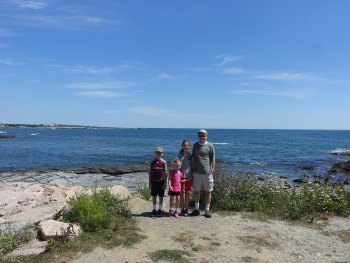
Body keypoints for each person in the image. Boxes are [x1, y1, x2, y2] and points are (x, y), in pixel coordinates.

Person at [190, 129, 216, 218]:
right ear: (198, 136)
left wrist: (212, 169)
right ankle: (196, 209)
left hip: (207, 173)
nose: (202, 137)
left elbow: (213, 158)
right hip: (196, 172)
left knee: (208, 192)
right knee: (196, 191)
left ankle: (207, 210)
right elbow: (193, 157)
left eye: (203, 135)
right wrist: (191, 169)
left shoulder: (210, 146)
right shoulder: (195, 145)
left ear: (206, 136)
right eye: (200, 135)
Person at [149, 147, 168, 216]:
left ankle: (160, 209)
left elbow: (166, 173)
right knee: (154, 196)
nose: (158, 154)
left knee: (161, 196)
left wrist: (165, 183)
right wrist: (150, 183)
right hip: (154, 181)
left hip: (161, 182)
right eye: (157, 152)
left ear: (162, 154)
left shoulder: (164, 162)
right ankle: (154, 209)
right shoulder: (152, 162)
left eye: (160, 153)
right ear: (155, 153)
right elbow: (150, 173)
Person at [177, 139, 192, 216]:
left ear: (189, 146)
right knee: (181, 194)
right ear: (182, 146)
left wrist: (191, 177)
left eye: (187, 145)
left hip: (189, 177)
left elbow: (193, 167)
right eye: (184, 145)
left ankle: (186, 209)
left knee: (187, 193)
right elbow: (177, 167)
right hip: (181, 178)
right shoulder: (179, 156)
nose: (186, 146)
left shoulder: (191, 156)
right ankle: (182, 209)